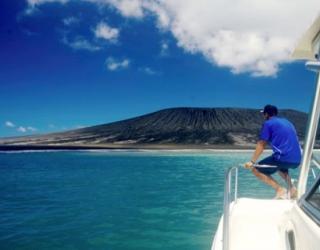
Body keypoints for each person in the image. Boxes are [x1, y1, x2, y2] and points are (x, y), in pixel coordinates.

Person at [244, 105, 302, 199]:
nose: (263, 116)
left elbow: (261, 144)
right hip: (298, 159)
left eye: (264, 114)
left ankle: (279, 189)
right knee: (281, 166)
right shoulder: (288, 122)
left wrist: (252, 162)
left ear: (266, 114)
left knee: (256, 170)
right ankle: (292, 189)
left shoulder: (268, 123)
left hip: (283, 158)